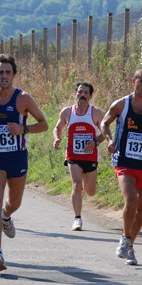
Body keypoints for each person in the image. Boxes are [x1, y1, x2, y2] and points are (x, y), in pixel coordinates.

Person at [0, 54, 48, 271]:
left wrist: (23, 129)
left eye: (8, 72)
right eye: (0, 72)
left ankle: (7, 217)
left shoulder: (23, 98)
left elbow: (43, 124)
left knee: (13, 203)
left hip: (16, 157)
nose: (4, 76)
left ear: (14, 75)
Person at [101, 67, 142, 266]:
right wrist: (109, 140)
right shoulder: (121, 104)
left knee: (139, 211)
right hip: (124, 161)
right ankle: (124, 238)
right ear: (133, 81)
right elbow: (104, 123)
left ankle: (130, 245)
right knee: (130, 201)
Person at [53, 82, 105, 230]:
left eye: (86, 93)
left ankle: (82, 190)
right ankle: (77, 219)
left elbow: (105, 132)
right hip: (73, 154)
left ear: (90, 96)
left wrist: (95, 142)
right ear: (75, 94)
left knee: (90, 191)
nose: (82, 95)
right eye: (80, 92)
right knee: (76, 184)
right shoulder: (67, 112)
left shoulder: (96, 113)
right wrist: (57, 138)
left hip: (90, 156)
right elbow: (58, 127)